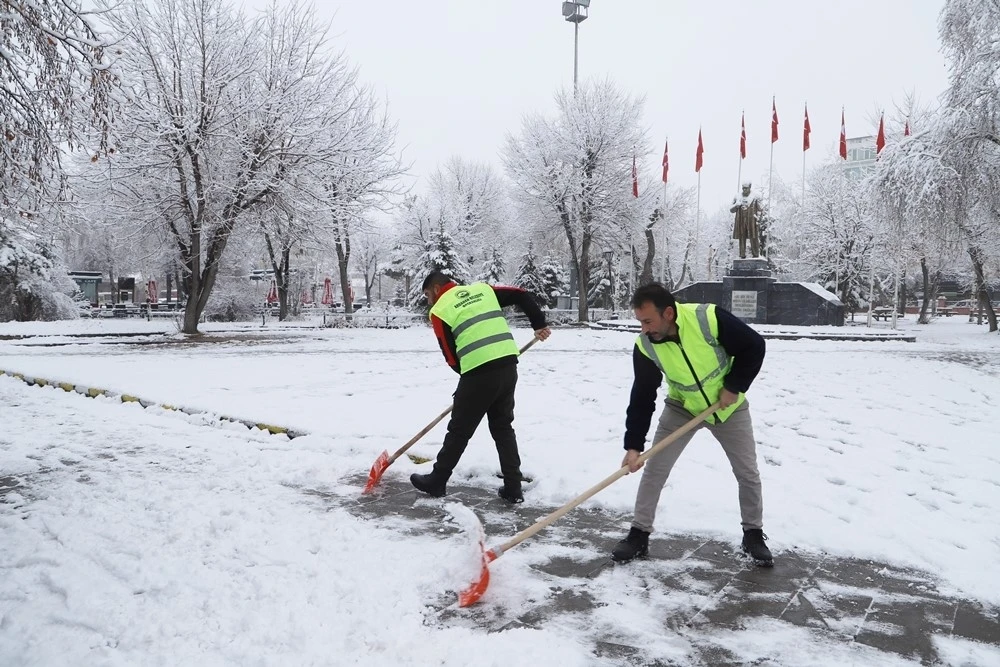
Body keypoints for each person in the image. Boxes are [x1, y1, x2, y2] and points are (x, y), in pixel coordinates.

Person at [611, 283, 773, 567]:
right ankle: (638, 534)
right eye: (640, 322)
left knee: (747, 472)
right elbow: (642, 395)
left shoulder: (708, 319)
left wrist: (734, 386)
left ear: (668, 314)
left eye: (648, 321)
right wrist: (634, 445)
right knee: (655, 470)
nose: (644, 329)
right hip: (682, 406)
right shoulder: (645, 346)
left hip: (727, 407)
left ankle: (753, 535)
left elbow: (754, 346)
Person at [410, 271, 552, 504]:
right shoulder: (483, 290)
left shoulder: (440, 309)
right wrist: (539, 324)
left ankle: (437, 480)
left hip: (478, 373)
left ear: (436, 289)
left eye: (427, 295)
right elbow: (521, 294)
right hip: (508, 365)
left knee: (459, 430)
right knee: (503, 427)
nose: (428, 301)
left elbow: (450, 355)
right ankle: (513, 487)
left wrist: (468, 383)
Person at [730, 182, 762, 259]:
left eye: (746, 188)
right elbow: (731, 209)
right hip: (741, 221)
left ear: (750, 187)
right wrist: (736, 205)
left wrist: (758, 220)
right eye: (743, 188)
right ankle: (742, 255)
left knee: (753, 238)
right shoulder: (737, 197)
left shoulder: (755, 197)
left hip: (752, 222)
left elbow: (760, 210)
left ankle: (755, 255)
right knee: (742, 238)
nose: (744, 190)